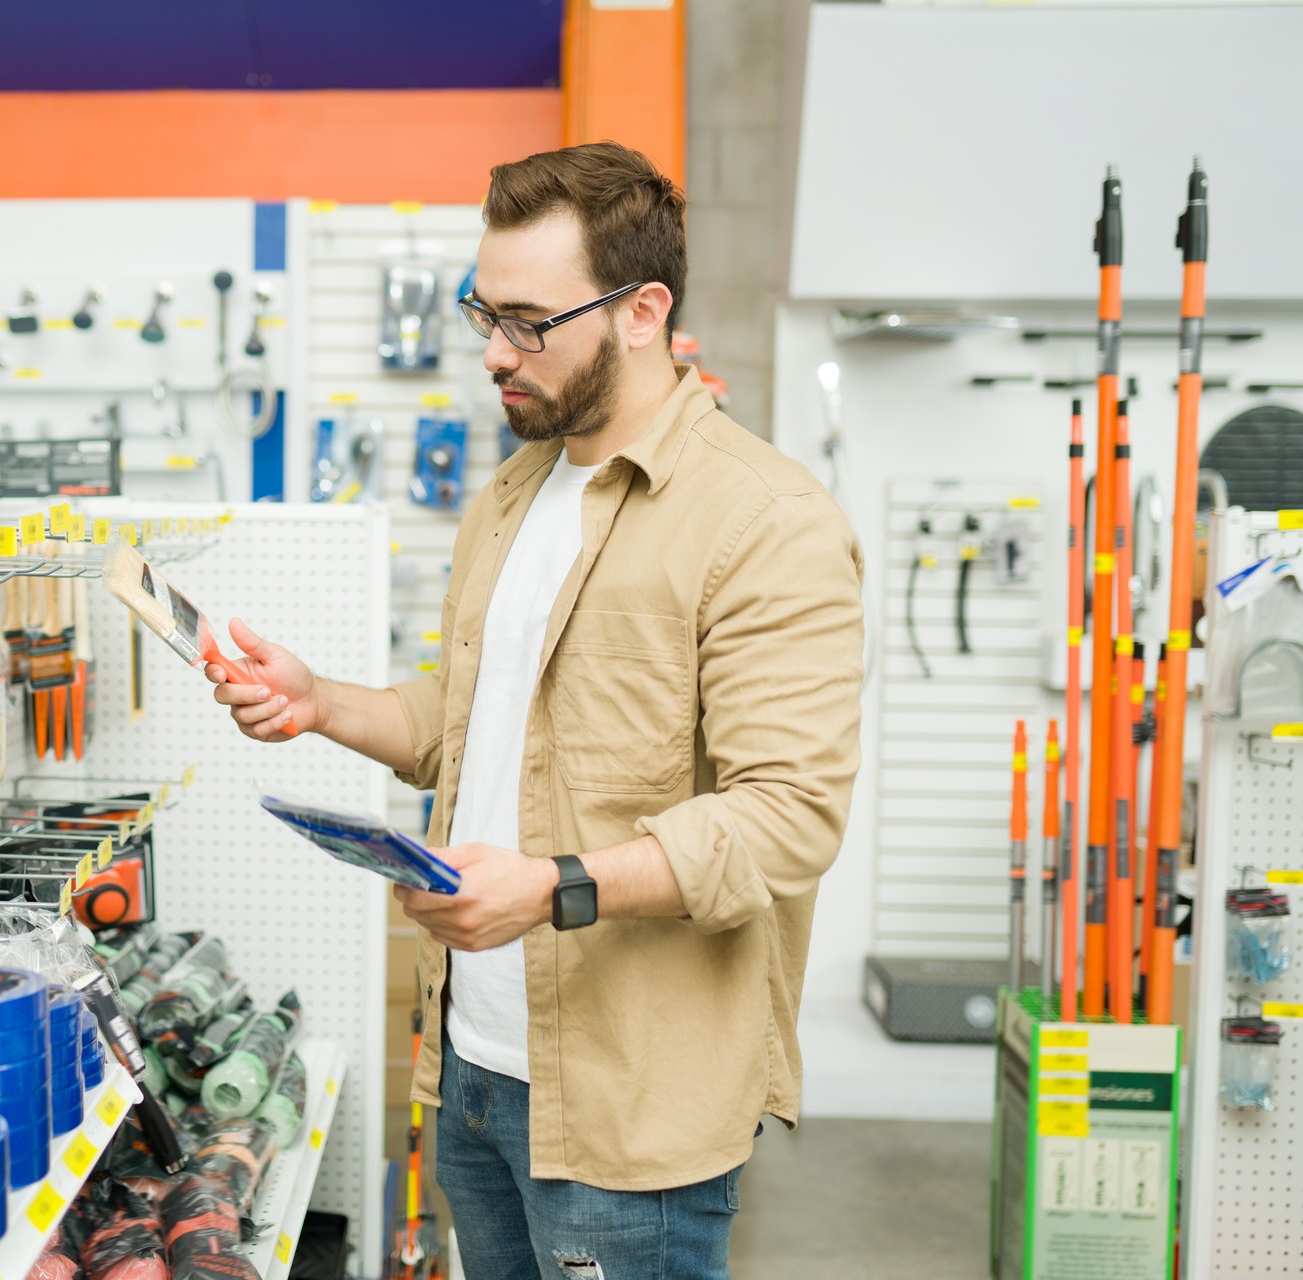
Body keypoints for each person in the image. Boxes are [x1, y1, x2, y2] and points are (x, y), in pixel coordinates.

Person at [204, 141, 863, 1280]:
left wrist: (554, 886)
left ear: (644, 310)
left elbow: (788, 817)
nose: (496, 355)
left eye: (528, 321)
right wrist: (321, 703)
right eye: (482, 314)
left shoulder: (765, 520)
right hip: (473, 1065)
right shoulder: (517, 489)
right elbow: (475, 720)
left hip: (625, 1110)